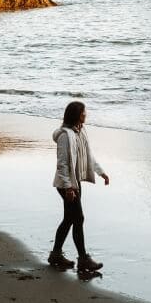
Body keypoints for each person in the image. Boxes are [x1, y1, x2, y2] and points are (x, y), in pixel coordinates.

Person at [48, 99, 109, 278]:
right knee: (78, 218)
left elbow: (88, 156)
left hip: (74, 183)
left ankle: (56, 255)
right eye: (83, 112)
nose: (86, 114)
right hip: (65, 184)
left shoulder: (81, 132)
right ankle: (83, 258)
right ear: (76, 115)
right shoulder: (66, 136)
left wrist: (101, 172)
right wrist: (68, 187)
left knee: (69, 219)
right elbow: (62, 164)